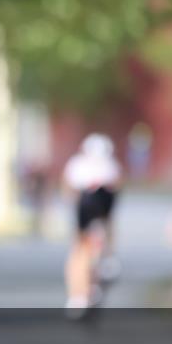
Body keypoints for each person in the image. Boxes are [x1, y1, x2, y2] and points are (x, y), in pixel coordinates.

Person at [61, 133, 122, 317]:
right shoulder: (106, 167)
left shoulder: (80, 166)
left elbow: (68, 191)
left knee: (81, 252)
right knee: (83, 251)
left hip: (90, 212)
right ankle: (82, 291)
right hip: (91, 213)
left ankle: (82, 292)